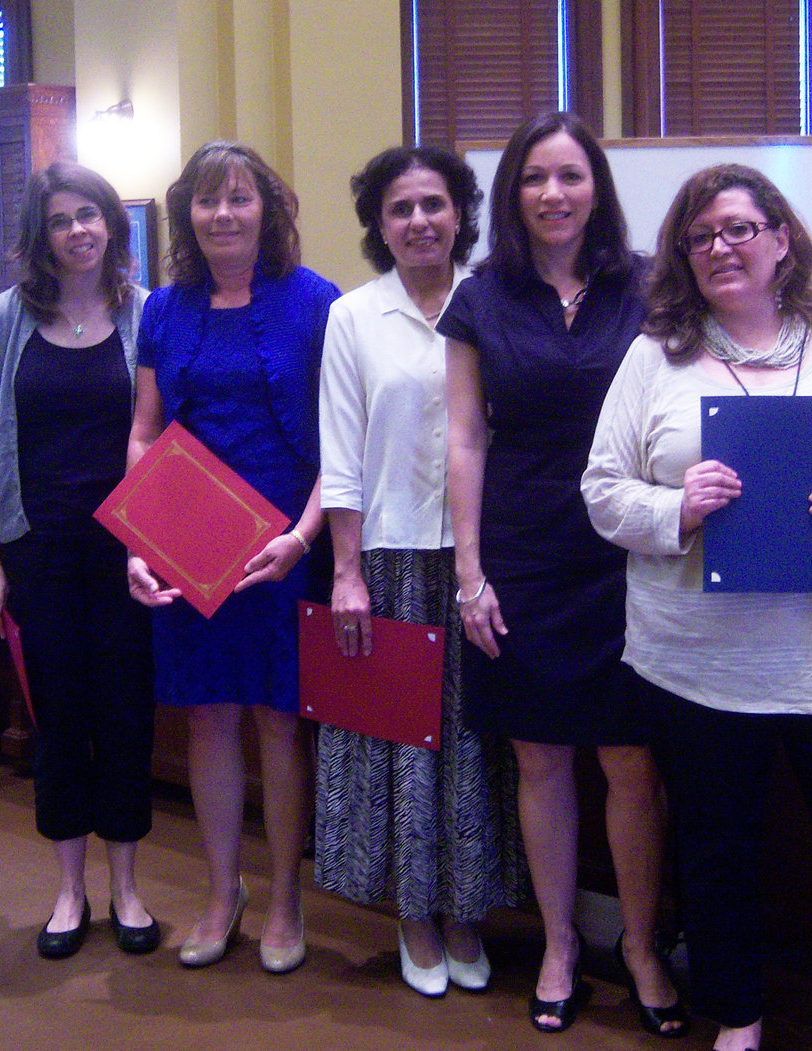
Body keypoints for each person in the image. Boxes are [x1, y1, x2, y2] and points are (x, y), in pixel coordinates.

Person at [581, 163, 812, 1051]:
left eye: (739, 228)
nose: (718, 248)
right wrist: (676, 508)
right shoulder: (653, 358)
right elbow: (601, 491)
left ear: (783, 240)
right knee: (719, 855)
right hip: (702, 663)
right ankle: (737, 1020)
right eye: (699, 237)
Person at [439, 112, 687, 1037]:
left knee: (631, 759)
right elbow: (465, 437)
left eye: (571, 177)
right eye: (535, 177)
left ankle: (640, 946)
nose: (553, 193)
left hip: (629, 553)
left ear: (597, 189)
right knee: (539, 757)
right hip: (525, 550)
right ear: (513, 193)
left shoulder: (651, 289)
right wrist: (470, 572)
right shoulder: (482, 297)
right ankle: (556, 943)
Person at [314, 145, 526, 998]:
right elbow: (339, 452)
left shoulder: (496, 304)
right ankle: (413, 912)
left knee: (476, 742)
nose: (418, 222)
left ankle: (469, 907)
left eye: (433, 204)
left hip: (486, 558)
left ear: (460, 213)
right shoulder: (353, 317)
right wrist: (345, 571)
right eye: (399, 208)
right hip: (393, 558)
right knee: (401, 743)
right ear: (378, 224)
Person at [126, 142, 338, 974]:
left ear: (268, 209)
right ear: (188, 215)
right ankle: (224, 893)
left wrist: (306, 535)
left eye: (240, 198)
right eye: (208, 201)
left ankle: (285, 899)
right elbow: (145, 430)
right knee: (208, 718)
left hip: (286, 547)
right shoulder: (164, 308)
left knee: (280, 723)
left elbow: (343, 443)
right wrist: (139, 541)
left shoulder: (318, 302)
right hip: (188, 546)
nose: (224, 214)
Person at [0, 161, 158, 959]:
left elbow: (165, 435)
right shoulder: (2, 321)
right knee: (59, 718)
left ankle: (128, 887)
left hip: (127, 557)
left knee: (125, 713)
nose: (78, 230)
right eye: (60, 220)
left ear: (111, 223)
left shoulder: (146, 315)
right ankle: (68, 889)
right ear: (40, 236)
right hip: (35, 546)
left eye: (90, 215)